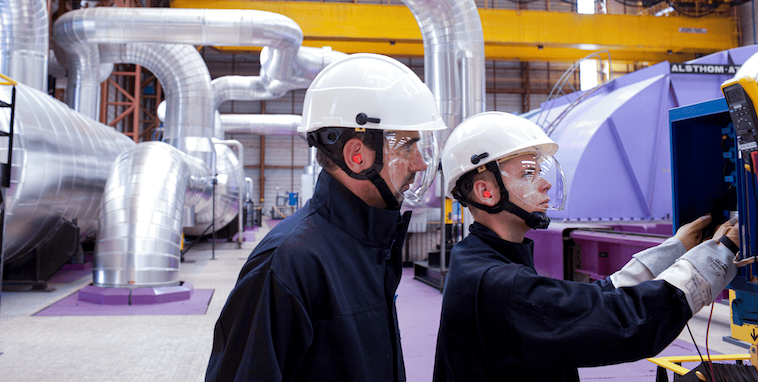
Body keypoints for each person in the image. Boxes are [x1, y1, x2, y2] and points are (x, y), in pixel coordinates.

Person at [434, 111, 740, 382]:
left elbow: (590, 304)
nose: (545, 183)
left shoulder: (481, 259)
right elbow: (623, 322)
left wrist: (672, 251)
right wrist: (715, 257)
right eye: (529, 173)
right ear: (486, 192)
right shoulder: (496, 282)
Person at [206, 53, 446, 382]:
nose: (419, 163)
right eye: (407, 147)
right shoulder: (287, 264)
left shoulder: (370, 246)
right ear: (357, 155)